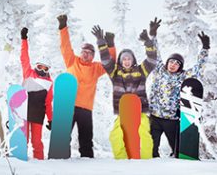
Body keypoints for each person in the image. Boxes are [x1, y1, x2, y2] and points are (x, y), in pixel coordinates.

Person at [92, 23, 157, 159]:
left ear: (133, 60)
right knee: (115, 135)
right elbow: (105, 61)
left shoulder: (141, 71)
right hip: (123, 112)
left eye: (129, 59)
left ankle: (146, 160)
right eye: (124, 59)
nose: (126, 61)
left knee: (144, 133)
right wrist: (101, 42)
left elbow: (152, 59)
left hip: (140, 111)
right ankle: (121, 160)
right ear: (121, 61)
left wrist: (147, 42)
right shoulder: (115, 73)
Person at [147, 18, 210, 158]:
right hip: (155, 117)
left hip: (172, 119)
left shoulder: (183, 76)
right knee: (151, 151)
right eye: (171, 62)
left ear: (180, 66)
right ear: (167, 62)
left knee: (177, 152)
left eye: (177, 63)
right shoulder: (159, 70)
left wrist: (205, 49)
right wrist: (153, 35)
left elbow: (199, 69)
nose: (173, 65)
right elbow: (154, 52)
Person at [57, 14, 116, 158]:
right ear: (80, 52)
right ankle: (60, 158)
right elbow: (65, 47)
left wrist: (110, 45)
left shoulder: (96, 68)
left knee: (86, 139)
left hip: (85, 108)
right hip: (68, 106)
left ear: (93, 56)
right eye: (84, 52)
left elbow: (110, 63)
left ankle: (88, 161)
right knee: (63, 136)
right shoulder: (72, 61)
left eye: (89, 53)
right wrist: (63, 27)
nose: (86, 55)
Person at [20, 27, 53, 160]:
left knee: (36, 141)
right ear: (36, 66)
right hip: (24, 111)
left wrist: (51, 119)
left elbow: (48, 103)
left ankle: (40, 163)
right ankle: (20, 162)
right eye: (40, 67)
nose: (42, 70)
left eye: (45, 68)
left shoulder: (49, 82)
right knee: (23, 140)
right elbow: (24, 58)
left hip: (38, 114)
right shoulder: (29, 73)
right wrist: (24, 40)